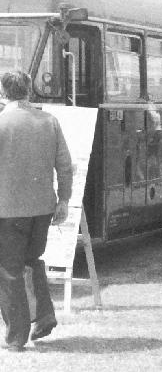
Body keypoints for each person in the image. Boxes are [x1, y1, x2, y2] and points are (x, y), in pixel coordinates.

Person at [0, 71, 72, 352]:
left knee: (9, 270)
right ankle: (43, 315)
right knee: (32, 259)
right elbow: (65, 166)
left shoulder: (2, 123)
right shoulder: (49, 121)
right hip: (43, 207)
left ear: (4, 92)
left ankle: (16, 336)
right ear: (29, 90)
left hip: (7, 210)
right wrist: (64, 199)